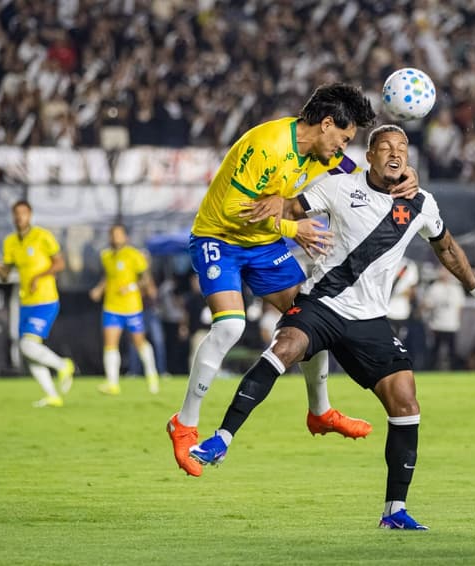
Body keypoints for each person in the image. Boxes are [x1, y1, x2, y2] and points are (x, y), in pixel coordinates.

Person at [188, 125, 475, 530]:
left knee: (406, 401)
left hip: (370, 319)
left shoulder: (421, 203)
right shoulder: (339, 185)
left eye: (402, 148)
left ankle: (394, 511)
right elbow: (292, 208)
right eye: (385, 147)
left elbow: (446, 247)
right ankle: (222, 439)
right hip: (323, 304)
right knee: (285, 346)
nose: (395, 153)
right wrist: (280, 207)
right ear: (370, 156)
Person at [167, 84, 420, 478]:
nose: (343, 148)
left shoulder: (324, 154)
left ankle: (320, 412)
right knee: (230, 326)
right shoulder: (266, 146)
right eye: (344, 139)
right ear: (326, 124)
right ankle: (184, 423)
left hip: (263, 243)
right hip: (219, 238)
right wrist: (292, 228)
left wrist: (403, 175)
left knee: (311, 316)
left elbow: (362, 177)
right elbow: (233, 209)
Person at [0, 200, 74, 407]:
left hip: (45, 300)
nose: (20, 217)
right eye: (17, 213)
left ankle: (63, 365)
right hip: (26, 303)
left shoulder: (42, 236)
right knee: (29, 351)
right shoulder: (10, 242)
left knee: (27, 345)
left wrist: (39, 276)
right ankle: (52, 395)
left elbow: (60, 263)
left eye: (24, 213)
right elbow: (5, 275)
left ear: (30, 215)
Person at [89, 224, 160, 395]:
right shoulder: (106, 256)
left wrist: (131, 287)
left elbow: (146, 280)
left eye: (119, 234)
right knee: (110, 344)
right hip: (111, 306)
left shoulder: (134, 255)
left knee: (139, 343)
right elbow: (108, 276)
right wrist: (99, 289)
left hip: (131, 307)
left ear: (126, 237)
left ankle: (152, 374)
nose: (115, 238)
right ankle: (112, 383)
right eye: (113, 234)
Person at [422, 267, 466, 370]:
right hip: (437, 325)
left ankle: (454, 369)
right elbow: (427, 304)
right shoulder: (434, 288)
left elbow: (460, 307)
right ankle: (431, 369)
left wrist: (458, 322)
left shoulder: (456, 288)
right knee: (435, 350)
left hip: (452, 325)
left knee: (452, 350)